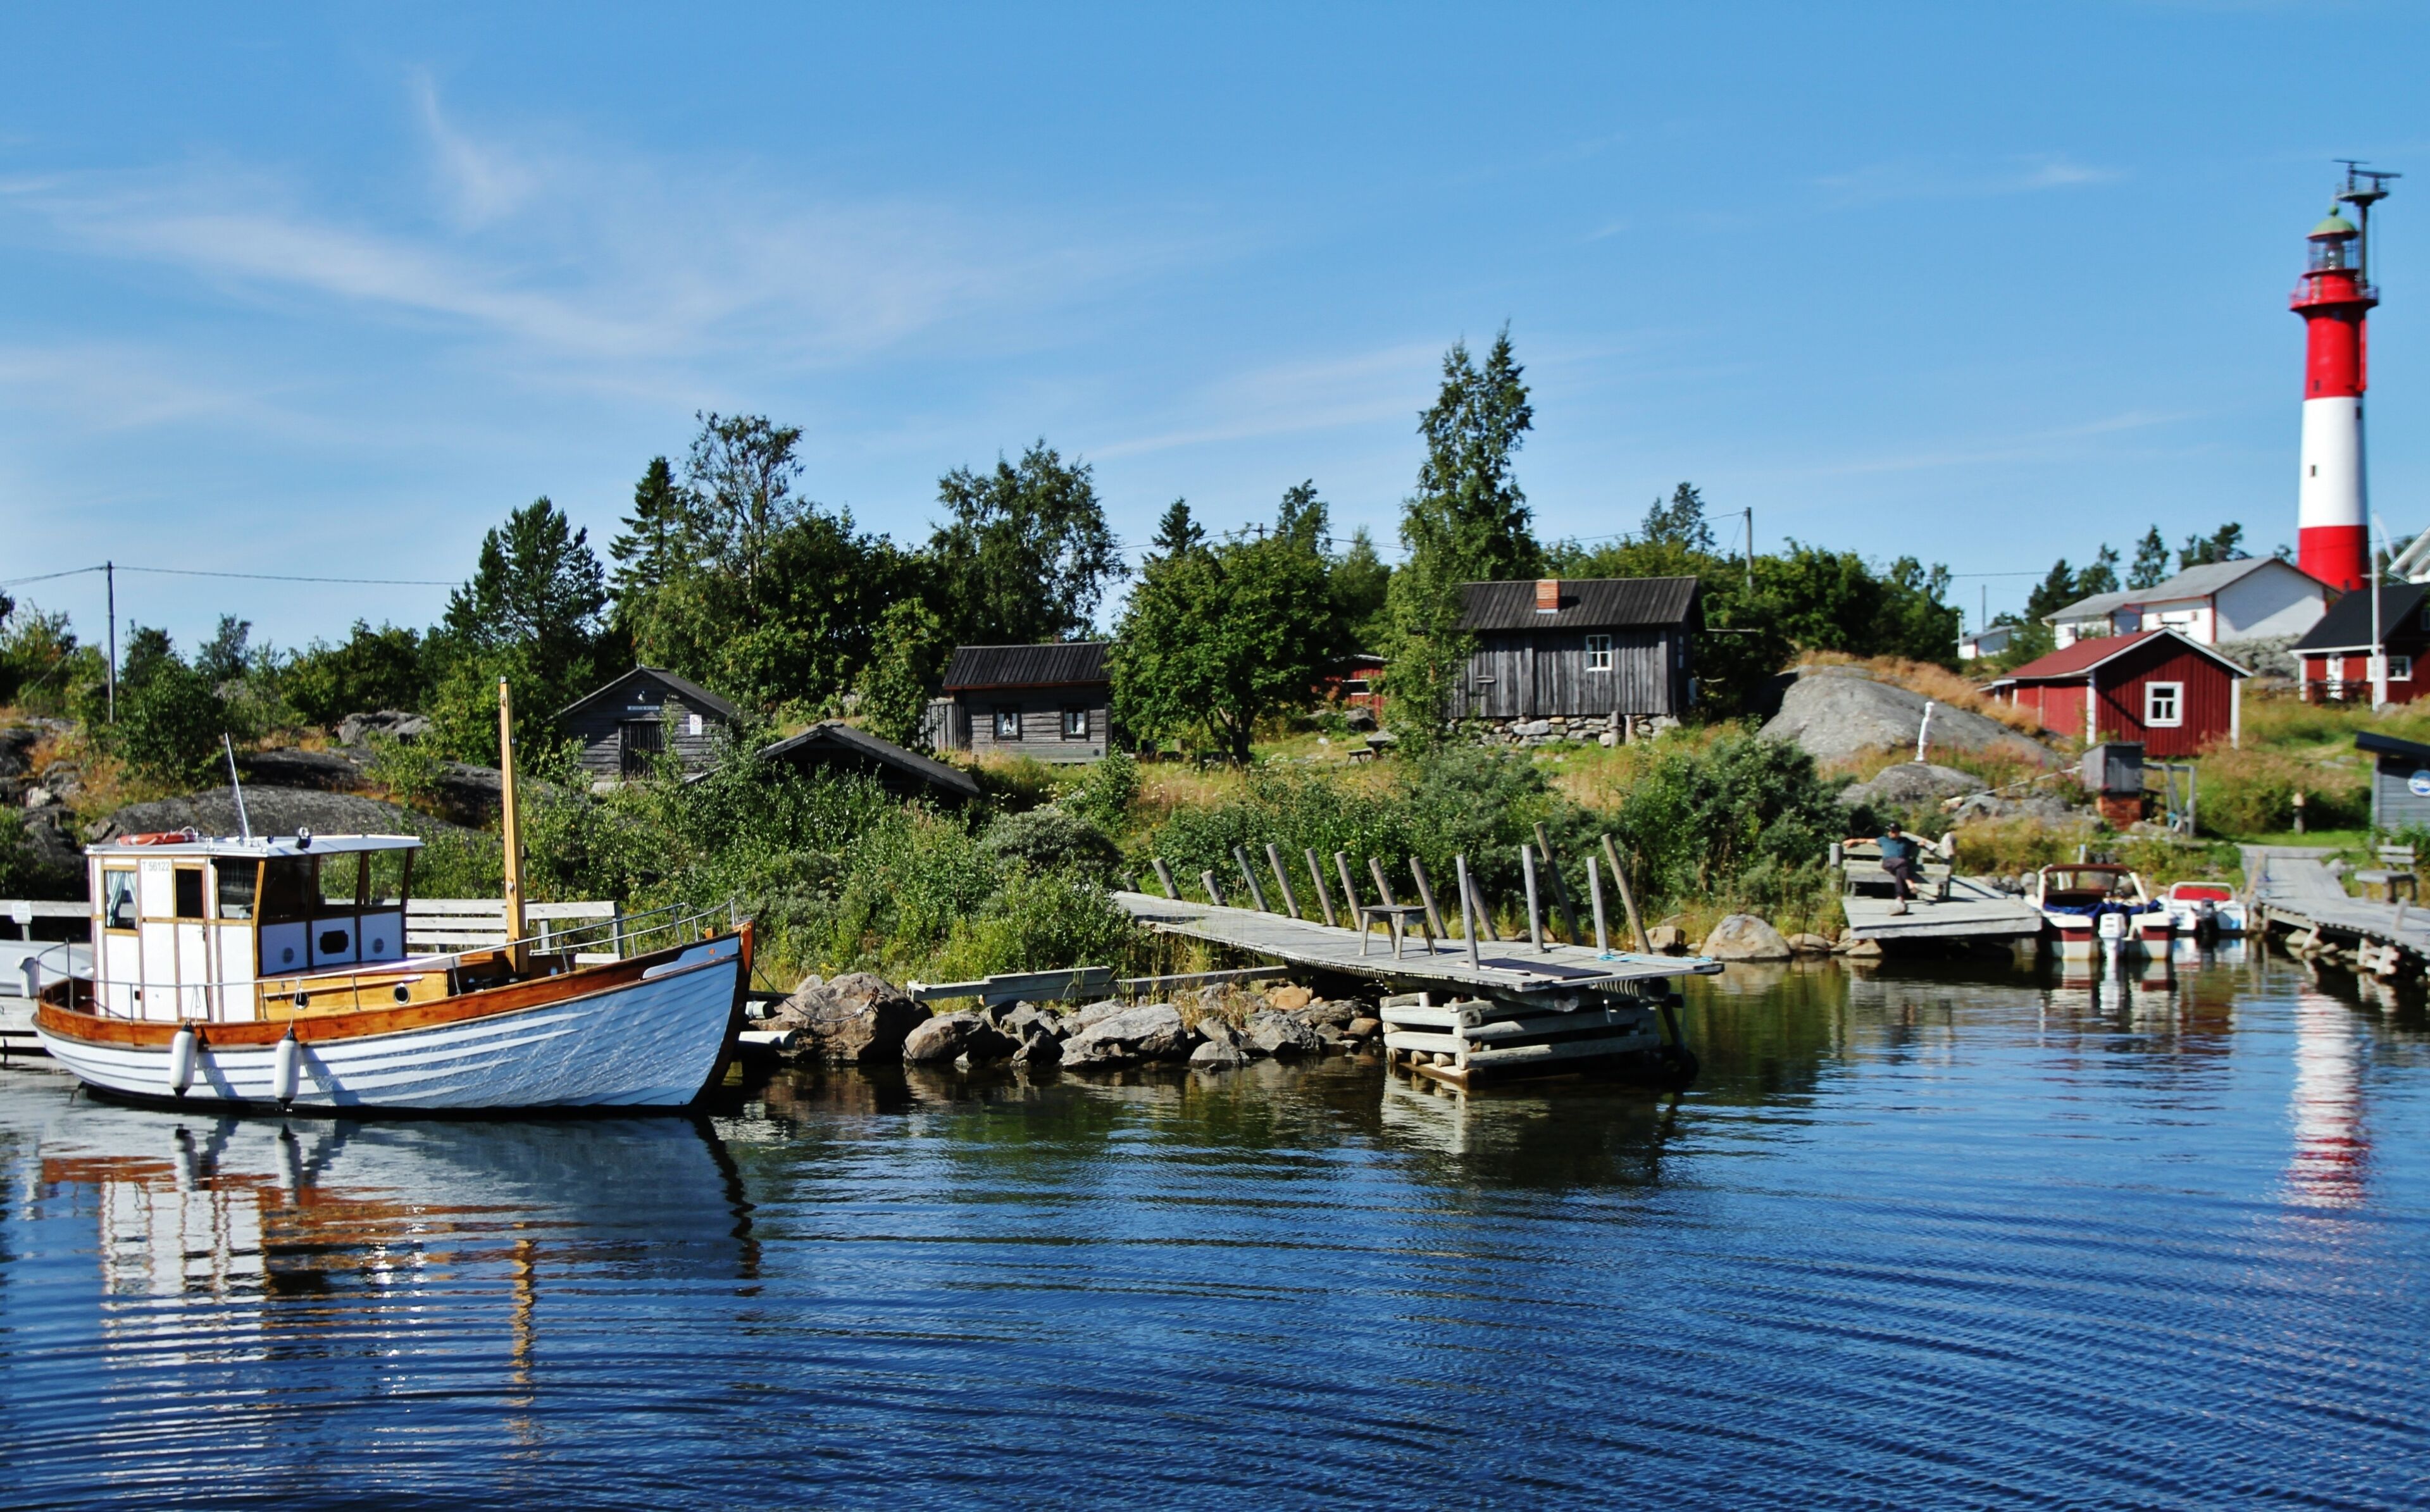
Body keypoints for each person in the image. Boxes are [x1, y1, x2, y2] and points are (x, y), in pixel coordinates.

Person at [1860, 822, 1924, 914]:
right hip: (1888, 863)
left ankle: (1900, 898)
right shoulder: (1883, 840)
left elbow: (1918, 843)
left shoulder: (1905, 841)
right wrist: (1853, 841)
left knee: (1900, 871)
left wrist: (1922, 843)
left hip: (1901, 866)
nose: (1890, 833)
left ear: (1898, 833)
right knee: (1903, 862)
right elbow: (1866, 841)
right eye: (1889, 831)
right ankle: (1910, 883)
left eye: (1893, 831)